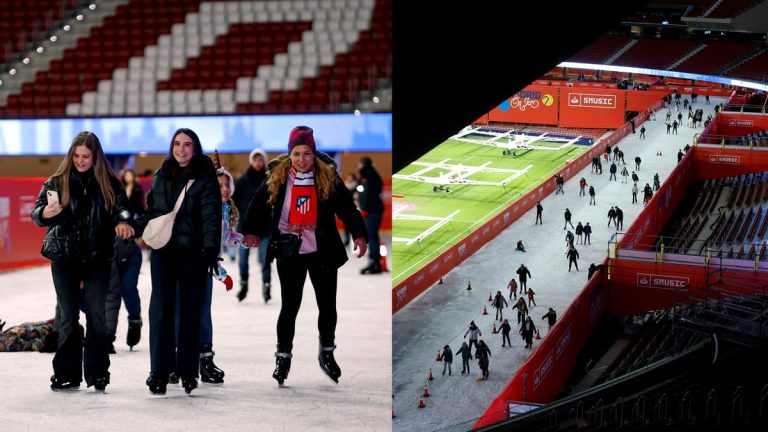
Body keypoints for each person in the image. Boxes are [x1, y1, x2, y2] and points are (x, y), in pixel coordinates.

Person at [240, 126, 368, 386]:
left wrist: (359, 234)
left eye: (307, 153)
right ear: (289, 154)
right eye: (296, 154)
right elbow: (257, 204)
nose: (301, 159)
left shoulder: (328, 177)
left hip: (322, 250)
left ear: (314, 153)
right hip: (290, 252)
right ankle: (283, 357)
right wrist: (250, 231)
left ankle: (327, 353)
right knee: (289, 307)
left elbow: (346, 207)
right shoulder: (277, 176)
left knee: (327, 306)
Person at [31, 131, 134, 392]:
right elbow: (36, 213)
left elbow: (122, 206)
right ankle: (67, 373)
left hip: (96, 257)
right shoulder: (56, 181)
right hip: (64, 257)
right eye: (76, 156)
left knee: (97, 317)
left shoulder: (109, 181)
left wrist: (122, 220)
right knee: (67, 317)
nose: (80, 161)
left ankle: (98, 373)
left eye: (85, 156)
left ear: (95, 156)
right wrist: (45, 212)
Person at [136, 128, 221, 395]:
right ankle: (159, 371)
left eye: (187, 144)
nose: (181, 149)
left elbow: (210, 215)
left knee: (189, 312)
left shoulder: (205, 177)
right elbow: (153, 212)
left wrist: (210, 250)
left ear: (195, 149)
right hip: (163, 252)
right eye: (177, 144)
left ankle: (187, 371)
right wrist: (133, 224)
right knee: (160, 311)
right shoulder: (162, 175)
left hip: (193, 253)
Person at [232, 148, 272, 303]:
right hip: (245, 228)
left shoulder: (269, 180)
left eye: (261, 160)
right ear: (251, 161)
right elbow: (233, 201)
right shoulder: (243, 180)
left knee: (264, 258)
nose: (258, 163)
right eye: (255, 160)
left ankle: (267, 286)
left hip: (264, 227)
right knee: (242, 259)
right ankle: (243, 285)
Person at [117, 169, 145, 351]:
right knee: (110, 295)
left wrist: (139, 231)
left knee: (127, 288)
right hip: (109, 255)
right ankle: (106, 334)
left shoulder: (135, 190)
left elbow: (141, 210)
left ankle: (135, 320)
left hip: (130, 251)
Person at [358, 156, 385, 274]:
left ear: (363, 164)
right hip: (375, 210)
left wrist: (365, 208)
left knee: (371, 237)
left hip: (372, 211)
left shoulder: (368, 177)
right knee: (373, 236)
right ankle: (376, 263)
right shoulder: (373, 175)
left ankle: (373, 262)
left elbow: (367, 194)